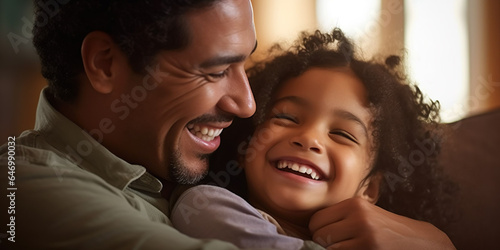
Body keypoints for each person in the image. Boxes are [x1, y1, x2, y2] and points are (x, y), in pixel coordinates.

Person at [0, 0, 455, 249]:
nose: (247, 105)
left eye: (244, 66)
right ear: (105, 64)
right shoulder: (24, 189)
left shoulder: (171, 167)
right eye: (216, 71)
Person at [170, 28, 457, 249]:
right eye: (286, 118)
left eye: (342, 134)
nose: (309, 138)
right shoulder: (206, 206)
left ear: (370, 188)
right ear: (244, 147)